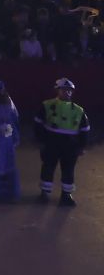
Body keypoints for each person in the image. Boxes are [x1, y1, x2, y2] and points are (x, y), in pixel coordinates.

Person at [33, 77, 90, 207]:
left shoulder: (78, 110)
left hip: (70, 146)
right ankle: (45, 193)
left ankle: (66, 195)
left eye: (69, 90)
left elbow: (85, 129)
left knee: (68, 170)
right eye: (64, 90)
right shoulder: (47, 105)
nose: (67, 93)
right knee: (48, 167)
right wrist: (40, 140)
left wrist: (82, 146)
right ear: (57, 90)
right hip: (51, 143)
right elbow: (38, 124)